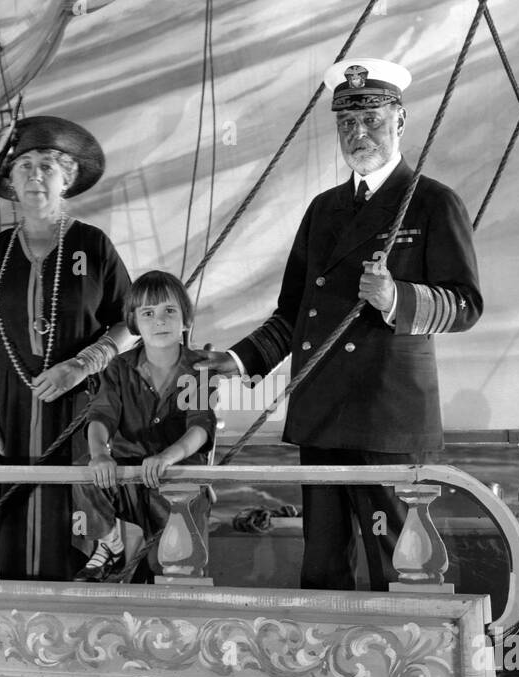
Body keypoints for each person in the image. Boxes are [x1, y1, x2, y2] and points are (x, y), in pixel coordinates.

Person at [197, 57, 482, 591]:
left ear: (400, 121)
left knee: (398, 562)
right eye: (347, 123)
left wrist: (397, 298)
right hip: (322, 411)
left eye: (372, 119)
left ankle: (404, 668)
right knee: (323, 563)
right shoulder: (322, 210)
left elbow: (466, 304)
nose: (359, 133)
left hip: (387, 415)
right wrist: (234, 361)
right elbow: (293, 314)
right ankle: (332, 668)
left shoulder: (433, 203)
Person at [0, 115, 132, 580]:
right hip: (9, 413)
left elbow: (128, 325)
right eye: (24, 166)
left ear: (67, 179)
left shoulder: (92, 245)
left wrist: (81, 365)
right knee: (8, 524)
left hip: (80, 410)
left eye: (47, 167)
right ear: (11, 182)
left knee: (76, 525)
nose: (35, 175)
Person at [73, 271, 216, 581]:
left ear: (185, 319)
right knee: (83, 471)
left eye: (169, 311)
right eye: (148, 313)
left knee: (169, 564)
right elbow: (101, 417)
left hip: (176, 476)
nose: (159, 320)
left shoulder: (199, 368)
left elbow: (200, 427)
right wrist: (99, 453)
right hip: (127, 476)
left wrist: (168, 456)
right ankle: (110, 542)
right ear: (135, 322)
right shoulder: (119, 367)